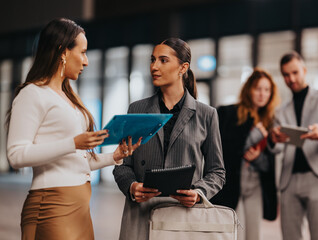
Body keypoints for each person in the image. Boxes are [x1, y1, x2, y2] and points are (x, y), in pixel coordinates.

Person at [6, 18, 141, 240]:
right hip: (52, 207)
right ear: (63, 52)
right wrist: (73, 143)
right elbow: (16, 155)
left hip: (80, 208)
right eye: (83, 52)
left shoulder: (69, 99)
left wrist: (115, 157)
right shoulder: (32, 94)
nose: (86, 61)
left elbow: (77, 161)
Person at [113, 38, 226, 240]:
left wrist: (199, 192)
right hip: (141, 215)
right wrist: (132, 186)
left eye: (163, 60)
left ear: (183, 68)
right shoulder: (137, 110)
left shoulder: (206, 114)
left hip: (183, 218)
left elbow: (217, 171)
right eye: (153, 59)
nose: (154, 66)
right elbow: (122, 165)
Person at [269, 51, 318, 240]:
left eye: (295, 72)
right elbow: (278, 149)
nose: (291, 79)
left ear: (304, 70)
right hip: (290, 181)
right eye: (286, 75)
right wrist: (274, 140)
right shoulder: (281, 111)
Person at [211, 68, 279, 240]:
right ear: (249, 89)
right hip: (232, 184)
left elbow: (270, 162)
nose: (262, 94)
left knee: (254, 234)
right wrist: (253, 137)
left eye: (267, 90)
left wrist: (258, 158)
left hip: (256, 185)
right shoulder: (229, 114)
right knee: (235, 233)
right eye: (258, 88)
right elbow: (224, 148)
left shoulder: (270, 121)